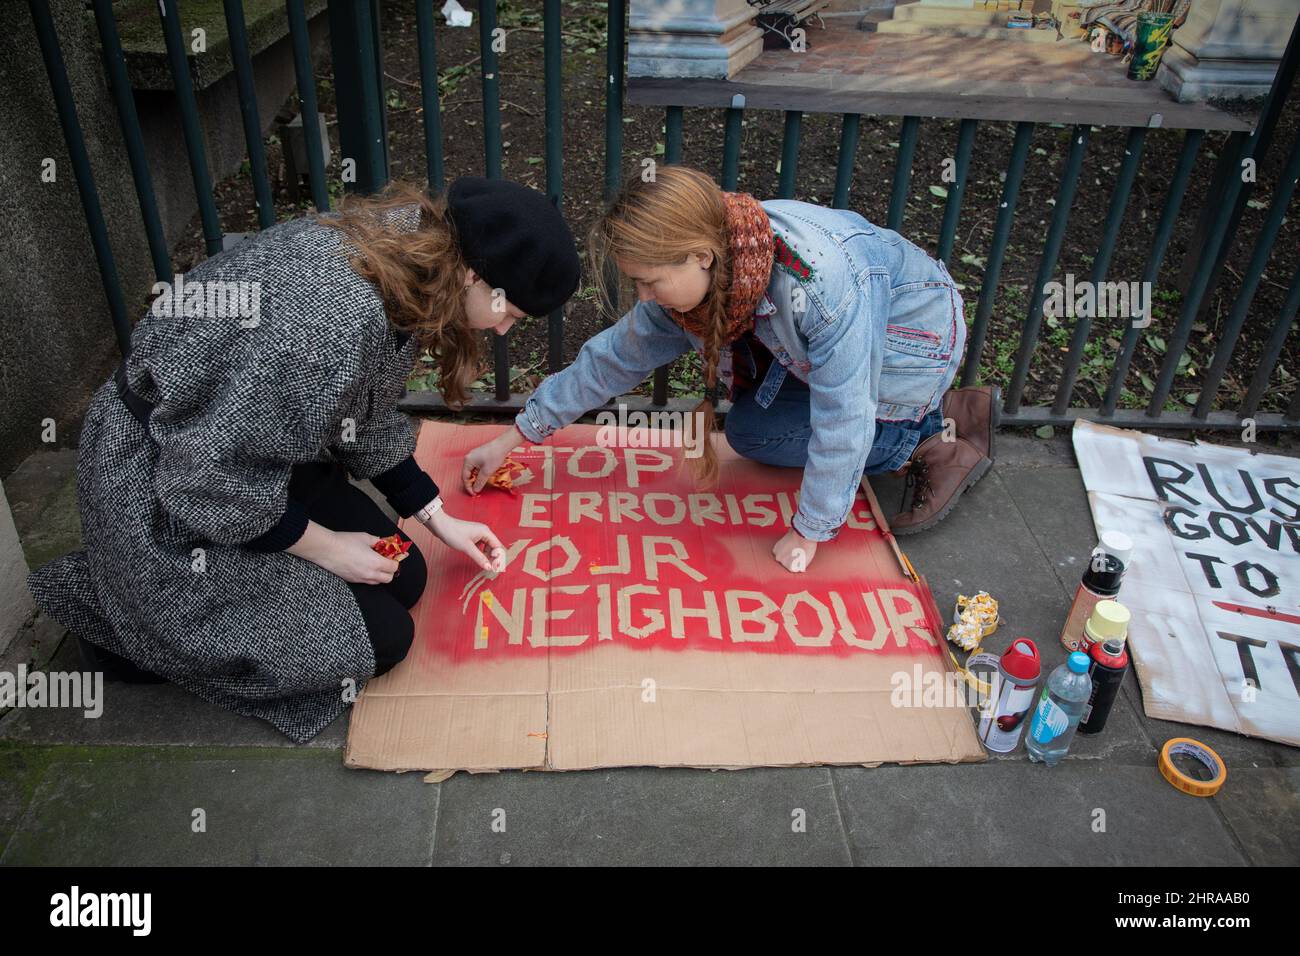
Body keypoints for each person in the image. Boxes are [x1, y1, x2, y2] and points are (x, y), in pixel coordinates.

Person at [26, 177, 580, 742]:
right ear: (473, 275)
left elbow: (356, 413)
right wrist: (330, 549)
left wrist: (439, 517)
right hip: (163, 481)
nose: (508, 327)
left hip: (256, 452)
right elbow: (208, 478)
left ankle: (212, 593)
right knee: (381, 640)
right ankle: (128, 628)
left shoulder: (405, 258)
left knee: (407, 575)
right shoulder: (329, 323)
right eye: (510, 310)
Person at [463, 166, 997, 574]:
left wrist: (809, 531)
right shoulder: (721, 260)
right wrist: (514, 438)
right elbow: (613, 359)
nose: (645, 298)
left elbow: (844, 414)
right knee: (752, 434)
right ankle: (931, 419)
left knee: (792, 434)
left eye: (650, 282)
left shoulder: (820, 290)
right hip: (816, 343)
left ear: (699, 256)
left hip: (911, 346)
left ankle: (925, 434)